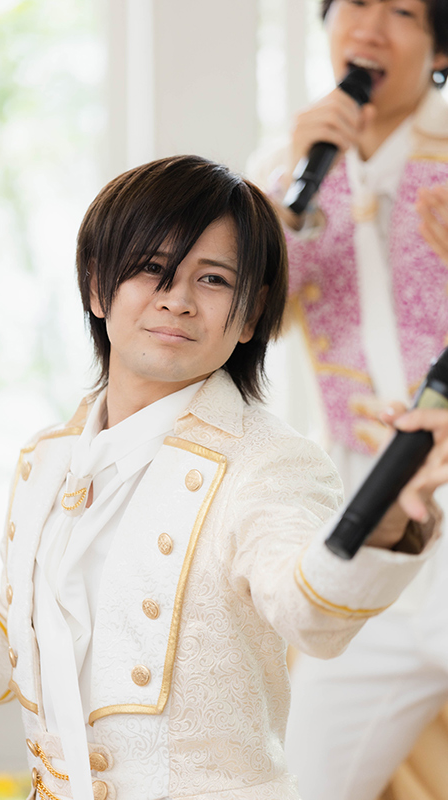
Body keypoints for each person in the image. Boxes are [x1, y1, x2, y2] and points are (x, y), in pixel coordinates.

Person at [0, 154, 446, 800]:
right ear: (96, 286)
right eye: (150, 268)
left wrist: (386, 518)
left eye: (213, 279)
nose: (178, 299)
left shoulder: (270, 460)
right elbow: (29, 644)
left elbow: (310, 613)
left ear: (250, 315)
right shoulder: (46, 459)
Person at [250, 1, 448, 798]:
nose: (369, 27)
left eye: (402, 10)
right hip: (367, 509)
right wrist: (282, 200)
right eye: (354, 4)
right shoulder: (282, 168)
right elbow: (239, 325)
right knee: (302, 779)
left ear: (438, 48)